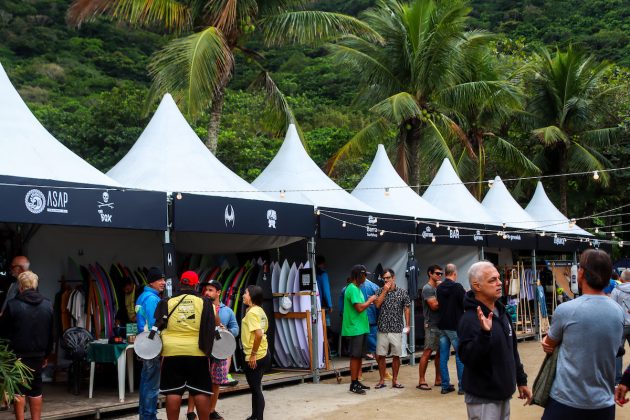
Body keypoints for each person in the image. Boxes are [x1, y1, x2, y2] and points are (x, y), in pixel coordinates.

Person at [541, 249, 624, 420]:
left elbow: (549, 344)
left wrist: (546, 341)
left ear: (581, 273)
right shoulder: (618, 311)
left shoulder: (566, 310)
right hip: (604, 403)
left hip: (566, 402)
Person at [458, 261, 531, 419]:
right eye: (492, 280)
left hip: (503, 393)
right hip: (483, 398)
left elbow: (512, 350)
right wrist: (485, 334)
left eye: (498, 278)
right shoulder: (470, 319)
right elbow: (468, 358)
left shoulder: (502, 313)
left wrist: (521, 380)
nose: (499, 283)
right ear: (477, 286)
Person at [154, 270, 216, 420]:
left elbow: (158, 325)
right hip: (198, 352)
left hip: (172, 352)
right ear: (196, 285)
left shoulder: (167, 302)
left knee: (173, 391)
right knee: (201, 391)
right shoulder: (205, 303)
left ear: (180, 283)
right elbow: (211, 327)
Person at [0, 271, 53, 420]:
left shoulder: (12, 305)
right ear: (35, 286)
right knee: (36, 389)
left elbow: (2, 332)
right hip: (39, 355)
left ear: (20, 287)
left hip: (17, 356)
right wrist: (47, 355)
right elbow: (51, 333)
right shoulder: (48, 305)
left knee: (19, 390)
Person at [186, 279, 239, 420]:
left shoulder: (227, 311)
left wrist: (226, 330)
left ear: (218, 292)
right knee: (195, 381)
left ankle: (211, 411)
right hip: (201, 350)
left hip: (219, 352)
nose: (207, 292)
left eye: (210, 290)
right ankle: (190, 412)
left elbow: (236, 329)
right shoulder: (199, 306)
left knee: (216, 383)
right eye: (206, 290)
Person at [135, 267, 166, 420]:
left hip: (145, 344)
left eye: (164, 279)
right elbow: (156, 323)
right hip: (152, 345)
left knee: (146, 382)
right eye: (160, 280)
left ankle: (145, 415)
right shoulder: (153, 299)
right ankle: (149, 416)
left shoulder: (142, 296)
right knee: (152, 385)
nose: (163, 282)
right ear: (152, 282)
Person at [342, 264, 377, 395]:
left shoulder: (357, 288)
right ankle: (353, 383)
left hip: (361, 328)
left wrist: (367, 302)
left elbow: (361, 306)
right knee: (355, 356)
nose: (366, 278)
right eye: (364, 275)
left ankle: (356, 381)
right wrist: (371, 300)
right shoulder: (351, 289)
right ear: (359, 275)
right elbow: (359, 308)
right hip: (354, 328)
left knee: (359, 357)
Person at [373, 268, 410, 389]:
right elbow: (377, 305)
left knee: (396, 355)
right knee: (381, 355)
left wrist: (408, 325)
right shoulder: (379, 291)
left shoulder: (402, 292)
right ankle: (382, 380)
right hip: (383, 328)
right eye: (384, 278)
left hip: (396, 328)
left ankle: (395, 380)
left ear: (393, 278)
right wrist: (384, 290)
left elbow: (407, 308)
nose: (386, 280)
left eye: (388, 278)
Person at [241, 285, 270, 420]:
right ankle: (254, 416)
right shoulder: (260, 310)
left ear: (251, 296)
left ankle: (258, 418)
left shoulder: (252, 313)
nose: (243, 295)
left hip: (255, 355)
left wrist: (252, 354)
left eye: (245, 293)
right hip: (264, 352)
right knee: (255, 388)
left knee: (256, 390)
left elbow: (258, 334)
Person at [437, 263, 465, 395]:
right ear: (455, 273)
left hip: (442, 325)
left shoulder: (440, 287)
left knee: (443, 357)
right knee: (460, 356)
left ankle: (445, 385)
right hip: (455, 325)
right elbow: (465, 303)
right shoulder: (458, 287)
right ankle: (462, 386)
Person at [417, 265, 443, 390]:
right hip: (431, 324)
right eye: (437, 273)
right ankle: (421, 380)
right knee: (427, 352)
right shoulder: (428, 288)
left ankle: (438, 379)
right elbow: (434, 306)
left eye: (441, 274)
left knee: (439, 353)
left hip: (440, 324)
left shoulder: (437, 288)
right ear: (430, 274)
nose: (439, 276)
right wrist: (444, 294)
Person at [611, 269, 630, 384]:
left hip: (620, 325)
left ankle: (617, 380)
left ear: (621, 279)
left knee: (618, 352)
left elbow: (612, 308)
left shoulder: (616, 290)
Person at [359, 275, 380, 360]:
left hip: (360, 315)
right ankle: (374, 352)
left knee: (366, 335)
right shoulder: (374, 286)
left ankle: (371, 352)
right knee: (372, 334)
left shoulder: (353, 287)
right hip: (372, 314)